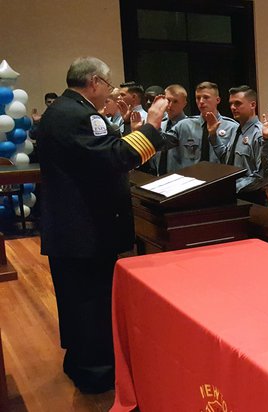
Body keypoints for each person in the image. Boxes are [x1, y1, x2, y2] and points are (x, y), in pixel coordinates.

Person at [36, 57, 168, 393]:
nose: (108, 92)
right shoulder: (79, 115)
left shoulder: (62, 110)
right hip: (84, 229)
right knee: (91, 303)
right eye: (108, 86)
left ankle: (80, 360)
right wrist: (152, 124)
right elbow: (112, 157)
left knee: (77, 300)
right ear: (94, 81)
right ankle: (95, 372)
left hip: (71, 226)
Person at [161, 82, 237, 174]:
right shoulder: (184, 125)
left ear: (217, 100)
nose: (201, 101)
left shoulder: (232, 128)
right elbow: (162, 143)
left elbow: (234, 162)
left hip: (219, 182)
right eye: (198, 98)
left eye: (206, 97)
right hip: (191, 182)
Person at [216, 85, 268, 205]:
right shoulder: (236, 130)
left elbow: (263, 175)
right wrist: (212, 136)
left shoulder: (260, 133)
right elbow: (226, 160)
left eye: (237, 103)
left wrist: (233, 188)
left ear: (252, 105)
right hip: (233, 197)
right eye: (231, 103)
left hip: (252, 198)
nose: (233, 107)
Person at [154, 84, 188, 175]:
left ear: (184, 104)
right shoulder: (160, 124)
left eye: (175, 101)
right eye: (168, 100)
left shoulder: (188, 126)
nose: (170, 105)